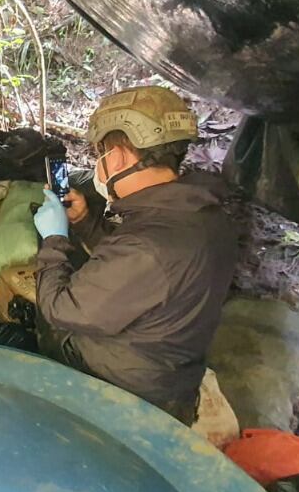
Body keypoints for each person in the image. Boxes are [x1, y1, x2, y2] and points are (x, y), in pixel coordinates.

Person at [30, 85, 238, 425]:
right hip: (172, 373)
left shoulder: (147, 245)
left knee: (42, 305)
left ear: (120, 155)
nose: (99, 165)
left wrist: (53, 239)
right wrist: (84, 223)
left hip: (125, 389)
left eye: (101, 153)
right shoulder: (203, 216)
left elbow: (60, 308)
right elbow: (141, 273)